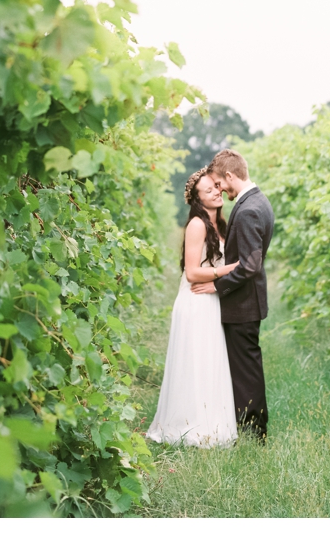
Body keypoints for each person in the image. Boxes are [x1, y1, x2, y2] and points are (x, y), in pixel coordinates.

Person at [145, 168, 241, 448]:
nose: (215, 190)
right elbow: (191, 273)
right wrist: (232, 269)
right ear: (198, 200)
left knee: (210, 361)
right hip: (196, 301)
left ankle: (213, 425)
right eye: (208, 189)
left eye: (216, 186)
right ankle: (191, 428)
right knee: (196, 362)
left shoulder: (220, 225)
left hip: (210, 299)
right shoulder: (198, 225)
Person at [192, 148, 274, 441]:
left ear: (229, 175)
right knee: (245, 368)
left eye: (219, 183)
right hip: (247, 301)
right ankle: (249, 428)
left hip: (243, 303)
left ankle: (254, 432)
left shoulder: (250, 209)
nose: (220, 189)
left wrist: (216, 286)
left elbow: (250, 266)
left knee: (246, 371)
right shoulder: (257, 201)